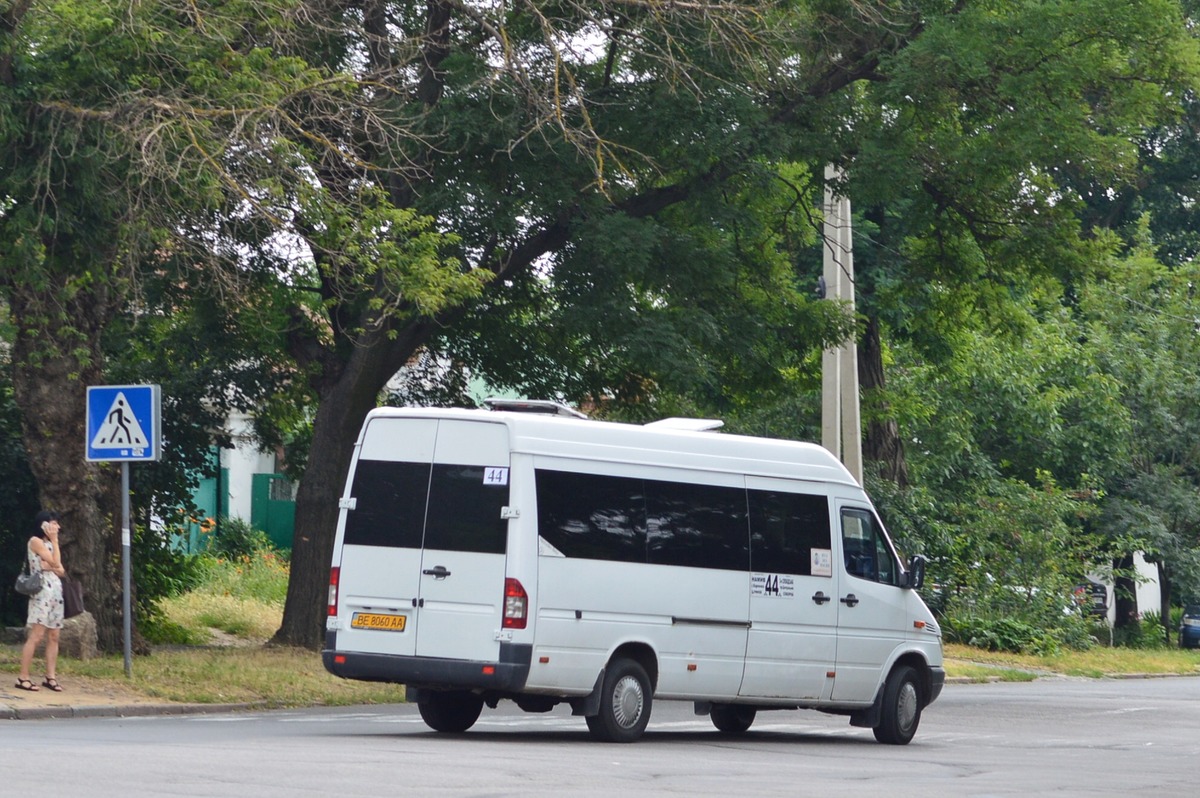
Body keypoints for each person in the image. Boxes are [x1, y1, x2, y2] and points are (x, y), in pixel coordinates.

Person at [15, 510, 67, 692]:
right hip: (42, 591)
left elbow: (61, 569)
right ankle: (23, 676)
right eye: (54, 523)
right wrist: (53, 554)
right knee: (36, 635)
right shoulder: (35, 542)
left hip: (55, 592)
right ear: (44, 525)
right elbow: (55, 563)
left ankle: (50, 676)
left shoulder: (50, 544)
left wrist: (52, 563)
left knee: (54, 636)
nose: (57, 527)